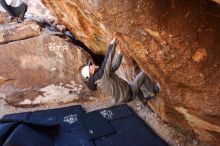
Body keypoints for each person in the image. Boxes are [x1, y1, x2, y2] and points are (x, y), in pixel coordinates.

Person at [81, 38, 160, 105]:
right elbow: (108, 59)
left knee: (134, 85)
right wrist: (113, 43)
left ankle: (143, 100)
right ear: (90, 71)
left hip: (123, 96)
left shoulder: (99, 78)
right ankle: (152, 92)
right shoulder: (101, 76)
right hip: (128, 94)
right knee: (143, 75)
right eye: (90, 65)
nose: (92, 64)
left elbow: (114, 66)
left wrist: (120, 53)